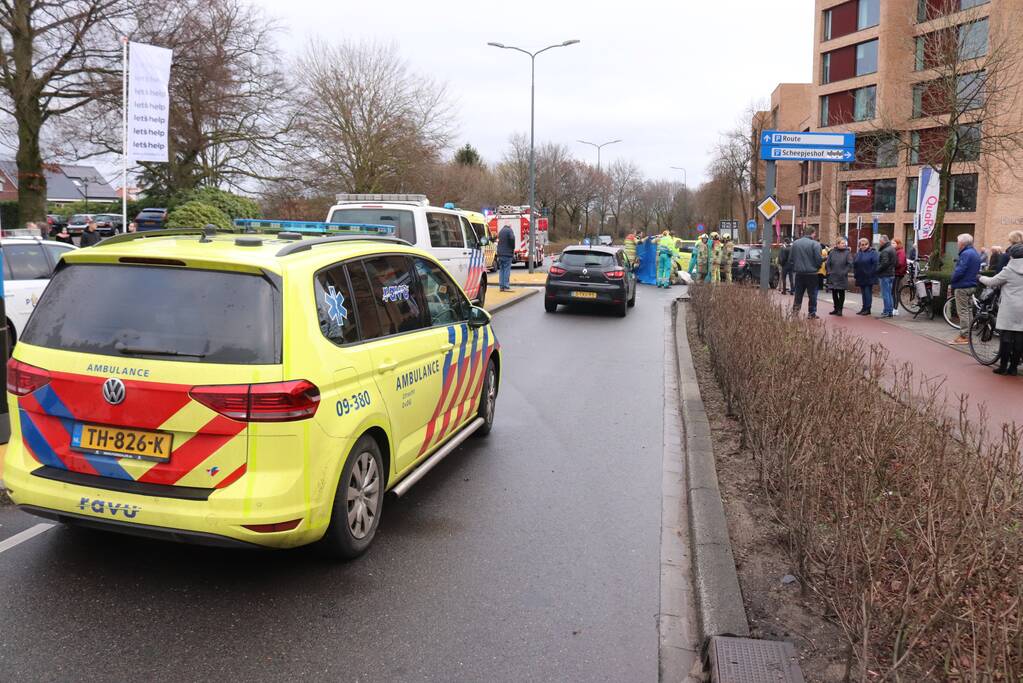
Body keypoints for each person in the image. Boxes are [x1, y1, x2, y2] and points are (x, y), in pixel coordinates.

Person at [979, 243, 1023, 375]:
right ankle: (1014, 368)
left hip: (1010, 307)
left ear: (1012, 256)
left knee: (1006, 338)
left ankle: (1003, 367)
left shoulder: (1008, 270)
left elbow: (992, 282)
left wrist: (980, 277)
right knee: (1020, 338)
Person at [949, 233, 981, 345]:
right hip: (971, 285)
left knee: (962, 311)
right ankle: (968, 333)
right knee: (968, 310)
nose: (957, 244)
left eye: (958, 242)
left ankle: (964, 336)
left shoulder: (966, 254)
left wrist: (952, 279)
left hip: (962, 286)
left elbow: (960, 270)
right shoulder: (974, 253)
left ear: (962, 243)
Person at [790, 228, 824, 319]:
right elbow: (818, 259)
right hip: (812, 274)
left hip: (799, 273)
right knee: (812, 294)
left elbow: (791, 259)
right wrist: (818, 267)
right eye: (815, 234)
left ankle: (795, 312)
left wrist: (796, 267)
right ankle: (811, 313)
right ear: (813, 233)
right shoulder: (815, 244)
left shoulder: (795, 243)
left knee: (798, 294)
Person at [826, 238, 852, 316]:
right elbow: (828, 263)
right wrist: (829, 271)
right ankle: (836, 308)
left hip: (842, 276)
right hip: (833, 275)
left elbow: (850, 264)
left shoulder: (847, 253)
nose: (844, 244)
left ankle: (840, 309)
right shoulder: (832, 252)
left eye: (844, 243)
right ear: (837, 244)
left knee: (841, 293)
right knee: (834, 293)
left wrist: (845, 272)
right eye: (842, 243)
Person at [853, 238, 879, 316]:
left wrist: (871, 273)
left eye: (865, 244)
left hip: (869, 276)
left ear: (868, 244)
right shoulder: (858, 253)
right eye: (862, 245)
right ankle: (863, 308)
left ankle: (868, 309)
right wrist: (855, 273)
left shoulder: (873, 253)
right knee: (863, 293)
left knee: (867, 293)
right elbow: (855, 264)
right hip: (860, 276)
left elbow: (875, 264)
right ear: (859, 246)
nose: (864, 246)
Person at [876, 235, 896, 318]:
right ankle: (889, 310)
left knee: (885, 294)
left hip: (885, 275)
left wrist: (877, 270)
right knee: (889, 293)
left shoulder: (885, 251)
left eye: (880, 242)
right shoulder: (892, 249)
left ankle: (887, 311)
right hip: (891, 274)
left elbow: (884, 263)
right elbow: (895, 262)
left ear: (883, 241)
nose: (879, 243)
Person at [496, 220, 515, 292]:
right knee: (507, 270)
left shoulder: (501, 231)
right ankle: (506, 286)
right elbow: (512, 239)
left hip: (500, 253)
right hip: (507, 253)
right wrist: (512, 248)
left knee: (501, 270)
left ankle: (501, 286)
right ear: (509, 226)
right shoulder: (509, 231)